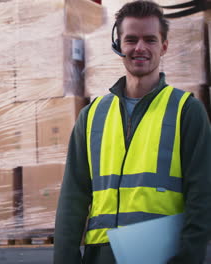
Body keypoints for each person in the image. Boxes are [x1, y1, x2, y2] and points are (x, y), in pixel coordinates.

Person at [53, 1, 211, 263]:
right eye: (131, 39)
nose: (140, 48)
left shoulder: (186, 111)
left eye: (150, 39)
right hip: (101, 255)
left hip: (162, 256)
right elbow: (73, 198)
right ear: (119, 45)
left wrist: (187, 258)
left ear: (164, 46)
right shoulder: (91, 116)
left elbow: (202, 196)